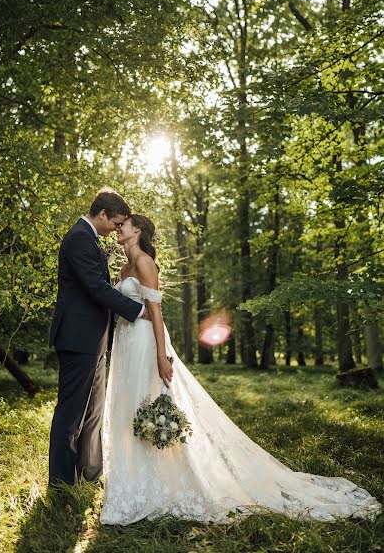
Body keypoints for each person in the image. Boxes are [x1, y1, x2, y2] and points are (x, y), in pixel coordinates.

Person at [100, 214, 381, 525]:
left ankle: (159, 482)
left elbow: (155, 311)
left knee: (147, 401)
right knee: (129, 407)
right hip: (126, 343)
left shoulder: (143, 262)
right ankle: (132, 478)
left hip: (145, 344)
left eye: (123, 224)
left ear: (137, 230)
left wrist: (161, 355)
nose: (118, 227)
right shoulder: (123, 266)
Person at [48, 188, 148, 487]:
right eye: (116, 223)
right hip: (77, 338)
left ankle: (89, 474)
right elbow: (95, 287)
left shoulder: (89, 237)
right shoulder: (79, 237)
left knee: (92, 412)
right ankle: (62, 483)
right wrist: (137, 310)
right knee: (71, 412)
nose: (117, 228)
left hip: (94, 338)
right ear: (101, 214)